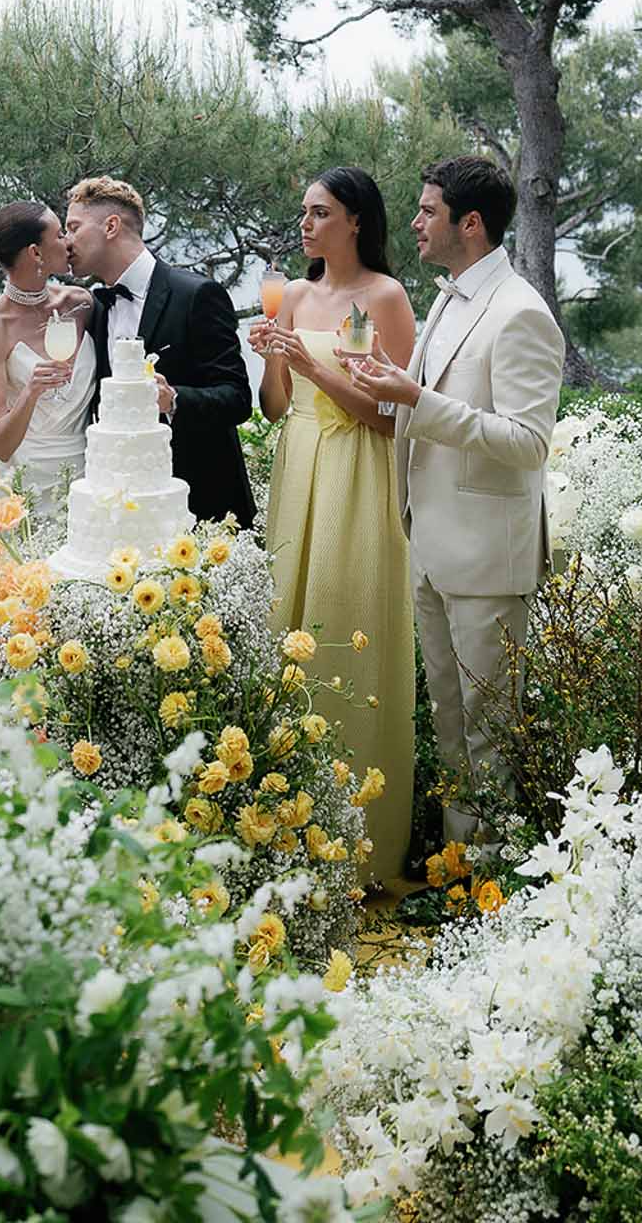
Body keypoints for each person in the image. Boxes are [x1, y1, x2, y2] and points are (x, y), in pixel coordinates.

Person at [344, 155, 565, 845]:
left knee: (492, 730)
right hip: (433, 543)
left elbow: (529, 442)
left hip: (487, 557)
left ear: (470, 224)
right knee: (448, 720)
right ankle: (458, 873)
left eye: (427, 210)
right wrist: (387, 382)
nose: (413, 222)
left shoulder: (522, 313)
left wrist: (417, 399)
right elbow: (426, 402)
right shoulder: (446, 295)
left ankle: (496, 881)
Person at [250, 167, 417, 885]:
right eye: (303, 213)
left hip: (358, 474)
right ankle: (282, 827)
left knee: (346, 626)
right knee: (287, 627)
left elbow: (394, 416)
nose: (306, 225)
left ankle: (361, 841)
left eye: (319, 213)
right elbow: (275, 408)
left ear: (354, 220)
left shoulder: (387, 296)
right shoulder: (294, 296)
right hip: (298, 468)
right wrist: (272, 362)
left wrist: (316, 375)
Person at [65, 175, 255, 528]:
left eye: (74, 228)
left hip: (201, 506)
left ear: (111, 226)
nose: (66, 241)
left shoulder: (198, 295)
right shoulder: (97, 308)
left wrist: (173, 399)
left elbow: (238, 398)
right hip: (122, 513)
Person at [0, 201, 96, 514]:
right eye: (59, 235)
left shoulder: (81, 304)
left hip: (89, 484)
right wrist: (30, 392)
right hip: (26, 495)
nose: (68, 241)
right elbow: (0, 445)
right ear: (35, 253)